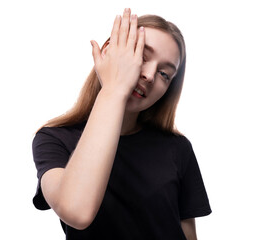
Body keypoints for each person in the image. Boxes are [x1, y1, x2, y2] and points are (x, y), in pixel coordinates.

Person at [32, 8, 212, 240]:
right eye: (141, 56)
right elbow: (76, 211)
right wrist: (114, 88)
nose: (149, 75)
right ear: (109, 52)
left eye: (165, 74)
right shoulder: (55, 139)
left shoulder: (178, 148)